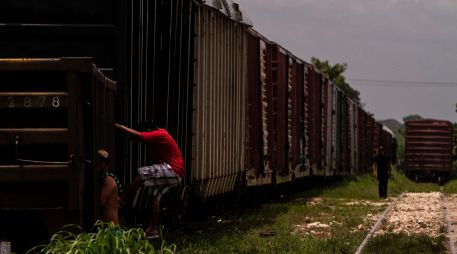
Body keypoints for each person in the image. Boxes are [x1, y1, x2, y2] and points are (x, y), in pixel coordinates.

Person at [115, 120, 184, 238]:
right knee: (155, 196)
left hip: (172, 170)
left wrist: (119, 127)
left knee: (142, 173)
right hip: (176, 173)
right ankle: (153, 229)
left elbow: (139, 136)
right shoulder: (160, 136)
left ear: (148, 131)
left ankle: (122, 201)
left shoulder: (160, 134)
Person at [98, 149, 123, 225]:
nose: (97, 164)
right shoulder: (104, 178)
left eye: (100, 162)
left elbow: (101, 202)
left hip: (111, 229)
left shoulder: (108, 180)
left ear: (106, 164)